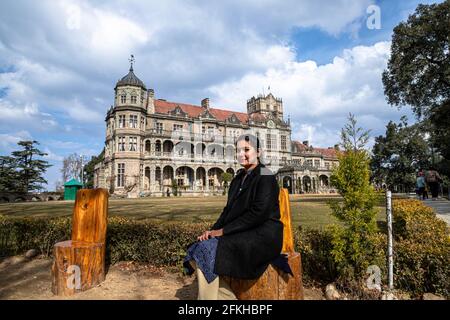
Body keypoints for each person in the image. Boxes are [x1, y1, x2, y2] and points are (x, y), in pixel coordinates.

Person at [183, 133, 285, 300]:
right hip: (243, 231)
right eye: (238, 150)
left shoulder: (266, 175)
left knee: (206, 251)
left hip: (263, 234)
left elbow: (258, 214)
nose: (241, 154)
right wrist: (212, 230)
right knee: (198, 249)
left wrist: (223, 232)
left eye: (246, 149)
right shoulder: (238, 178)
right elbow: (227, 211)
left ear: (258, 152)